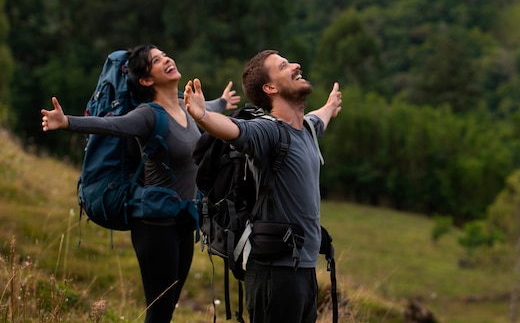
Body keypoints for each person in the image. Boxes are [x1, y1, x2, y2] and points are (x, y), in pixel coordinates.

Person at [40, 44, 241, 323]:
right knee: (158, 312)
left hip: (184, 220)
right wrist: (66, 122)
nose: (167, 59)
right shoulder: (148, 115)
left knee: (168, 310)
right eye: (156, 61)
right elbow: (110, 126)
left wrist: (223, 102)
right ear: (147, 80)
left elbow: (208, 108)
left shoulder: (187, 108)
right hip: (155, 225)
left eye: (164, 55)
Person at [184, 49, 342, 323]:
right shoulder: (268, 132)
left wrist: (331, 105)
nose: (296, 65)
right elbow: (236, 131)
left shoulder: (306, 130)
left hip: (303, 270)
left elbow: (320, 117)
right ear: (270, 87)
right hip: (275, 275)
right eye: (284, 66)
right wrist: (203, 117)